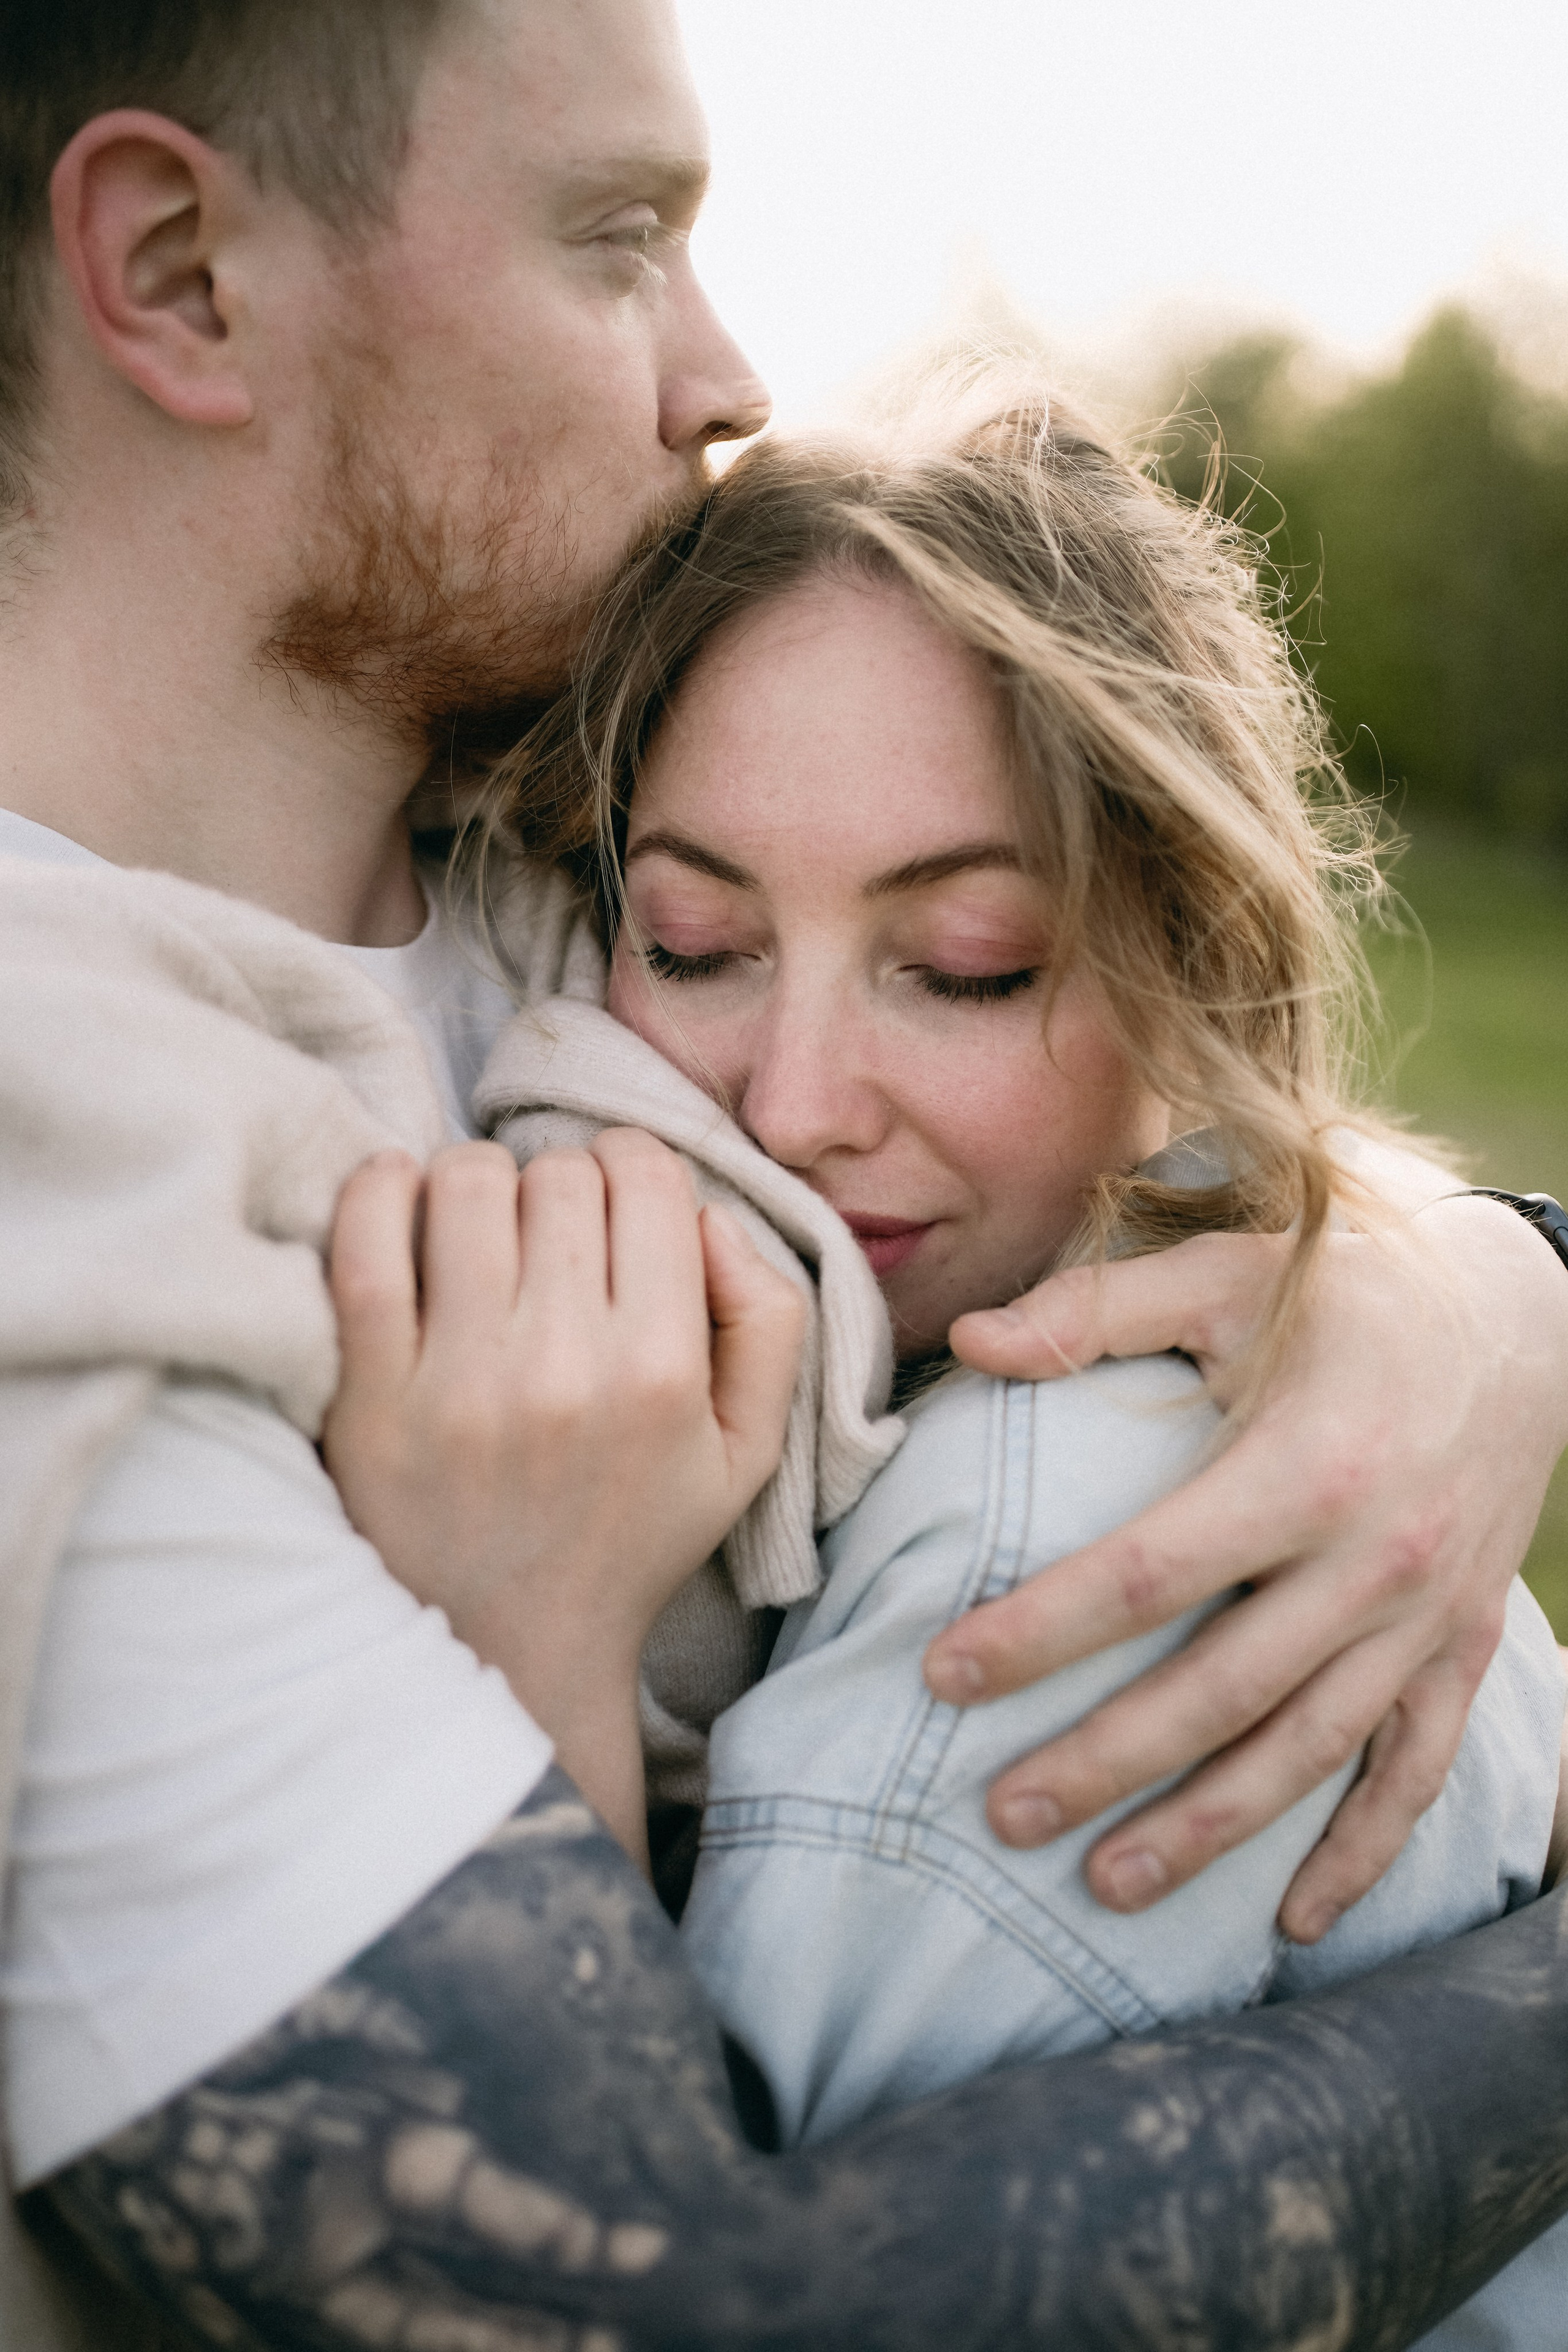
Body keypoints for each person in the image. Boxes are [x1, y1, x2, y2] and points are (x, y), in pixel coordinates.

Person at [1, 2, 1567, 2346]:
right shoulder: (72, 1175)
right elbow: (647, 2308)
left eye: (958, 960)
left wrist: (1471, 1276)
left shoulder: (525, 818)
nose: (729, 370)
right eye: (619, 237)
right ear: (182, 269)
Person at [439, 386, 1567, 2342]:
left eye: (962, 965)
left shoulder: (1061, 1545)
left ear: (1186, 961)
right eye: (692, 939)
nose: (791, 1107)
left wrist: (530, 1653)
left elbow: (664, 2306)